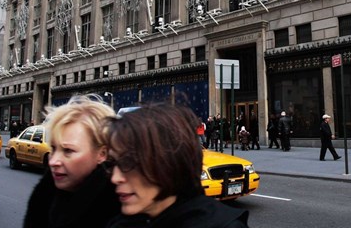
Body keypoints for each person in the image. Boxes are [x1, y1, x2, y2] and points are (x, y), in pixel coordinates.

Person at [104, 104, 249, 228]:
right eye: (112, 163)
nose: (115, 178)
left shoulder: (222, 224)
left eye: (128, 163)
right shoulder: (119, 222)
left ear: (168, 162)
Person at [23, 94, 120, 228]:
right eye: (53, 148)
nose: (53, 161)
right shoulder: (44, 198)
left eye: (68, 150)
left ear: (102, 154)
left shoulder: (121, 210)